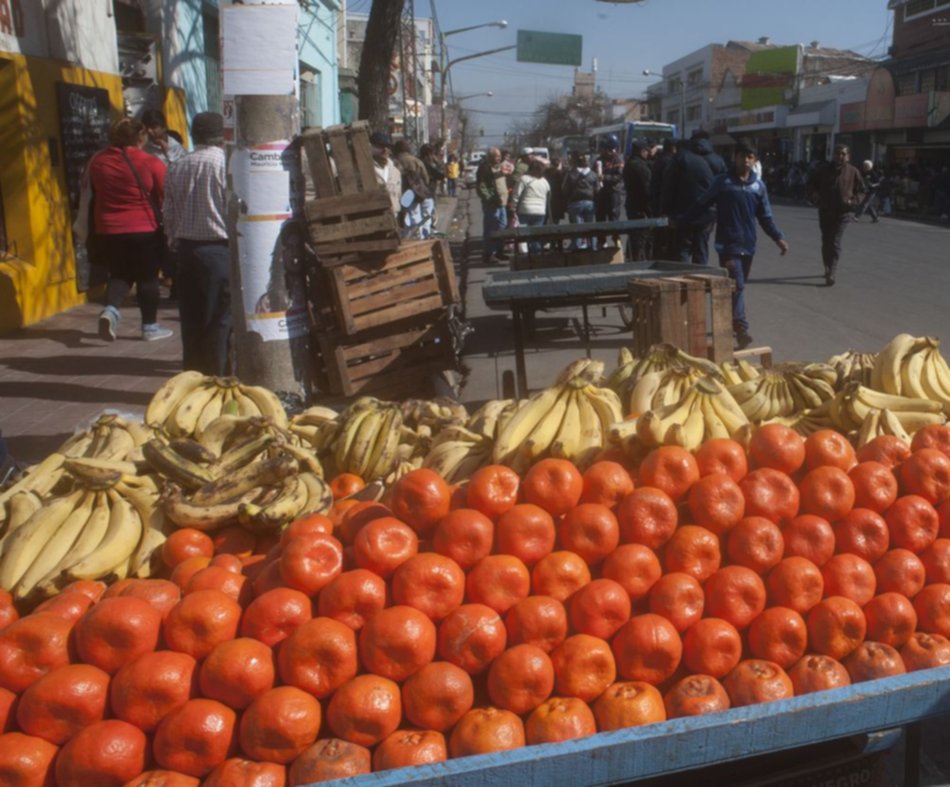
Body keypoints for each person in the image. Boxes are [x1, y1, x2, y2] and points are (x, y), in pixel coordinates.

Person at [676, 140, 789, 351]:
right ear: (734, 157)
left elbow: (765, 217)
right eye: (742, 156)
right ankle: (742, 329)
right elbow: (702, 204)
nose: (745, 161)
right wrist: (682, 220)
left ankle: (728, 326)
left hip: (749, 245)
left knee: (735, 288)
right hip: (728, 244)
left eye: (750, 157)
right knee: (737, 285)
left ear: (755, 160)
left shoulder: (758, 187)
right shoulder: (722, 182)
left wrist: (778, 238)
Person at [89, 117, 171, 343]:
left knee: (119, 273)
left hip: (107, 228)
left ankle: (111, 310)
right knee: (147, 278)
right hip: (144, 228)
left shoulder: (97, 162)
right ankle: (150, 327)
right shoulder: (149, 162)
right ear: (139, 137)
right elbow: (167, 193)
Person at [163, 112, 230, 375]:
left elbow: (168, 212)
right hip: (218, 250)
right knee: (219, 320)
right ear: (223, 136)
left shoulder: (178, 165)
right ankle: (219, 376)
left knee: (191, 320)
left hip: (187, 251)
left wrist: (173, 243)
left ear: (194, 135)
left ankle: (193, 378)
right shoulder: (225, 165)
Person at [661, 129, 727, 265]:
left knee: (683, 248)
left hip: (684, 211)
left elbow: (669, 186)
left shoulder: (682, 157)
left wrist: (667, 211)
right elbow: (725, 189)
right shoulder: (718, 160)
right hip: (708, 213)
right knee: (701, 248)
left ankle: (684, 281)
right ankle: (701, 281)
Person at [807, 144, 864, 287]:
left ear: (848, 156)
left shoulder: (853, 171)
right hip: (825, 210)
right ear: (833, 155)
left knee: (835, 241)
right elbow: (810, 184)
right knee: (826, 240)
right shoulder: (823, 170)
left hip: (843, 212)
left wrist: (853, 201)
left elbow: (861, 190)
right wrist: (815, 195)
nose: (840, 156)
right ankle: (827, 266)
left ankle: (832, 271)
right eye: (837, 154)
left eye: (843, 154)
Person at [393, 139, 433, 239]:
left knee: (404, 220)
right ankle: (420, 239)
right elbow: (426, 178)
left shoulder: (393, 162)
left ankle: (408, 239)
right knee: (416, 217)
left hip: (400, 195)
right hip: (416, 193)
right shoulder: (416, 160)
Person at [512, 158, 551, 254]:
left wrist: (513, 207)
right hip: (540, 211)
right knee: (536, 235)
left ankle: (525, 255)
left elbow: (516, 194)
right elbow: (549, 195)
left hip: (525, 210)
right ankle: (536, 254)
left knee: (524, 235)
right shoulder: (544, 181)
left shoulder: (524, 179)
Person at [475, 147, 507, 263]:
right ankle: (489, 253)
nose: (499, 158)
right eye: (496, 156)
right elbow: (481, 187)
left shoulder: (499, 167)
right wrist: (490, 199)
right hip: (492, 204)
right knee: (491, 228)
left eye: (499, 156)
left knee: (502, 226)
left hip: (502, 203)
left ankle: (499, 251)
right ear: (490, 157)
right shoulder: (484, 169)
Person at [562, 153, 599, 250]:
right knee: (590, 226)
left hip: (575, 203)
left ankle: (576, 246)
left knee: (577, 226)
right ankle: (592, 246)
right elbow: (597, 189)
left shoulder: (571, 174)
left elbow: (564, 189)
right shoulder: (593, 174)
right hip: (589, 203)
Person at [623, 141, 653, 261]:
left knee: (633, 236)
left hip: (631, 204)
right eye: (646, 151)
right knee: (641, 238)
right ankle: (638, 261)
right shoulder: (641, 167)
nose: (648, 154)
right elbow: (647, 190)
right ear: (642, 151)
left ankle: (631, 258)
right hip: (641, 208)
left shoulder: (629, 164)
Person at [369, 131, 402, 218]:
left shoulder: (395, 172)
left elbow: (398, 196)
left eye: (388, 147)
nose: (385, 150)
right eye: (380, 146)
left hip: (393, 218)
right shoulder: (364, 169)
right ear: (370, 146)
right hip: (372, 218)